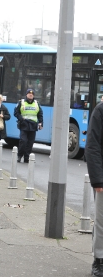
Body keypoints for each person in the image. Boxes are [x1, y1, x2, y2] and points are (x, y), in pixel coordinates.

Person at [85, 100, 103, 277]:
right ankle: (99, 260)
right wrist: (98, 181)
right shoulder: (100, 111)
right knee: (101, 222)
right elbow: (92, 146)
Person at [13, 88, 43, 163]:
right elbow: (16, 113)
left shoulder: (37, 103)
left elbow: (40, 114)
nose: (31, 95)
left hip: (33, 125)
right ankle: (19, 156)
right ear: (26, 95)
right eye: (29, 94)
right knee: (23, 141)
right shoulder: (21, 102)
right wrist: (21, 119)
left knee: (30, 143)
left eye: (32, 94)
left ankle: (27, 158)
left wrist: (41, 123)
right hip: (24, 124)